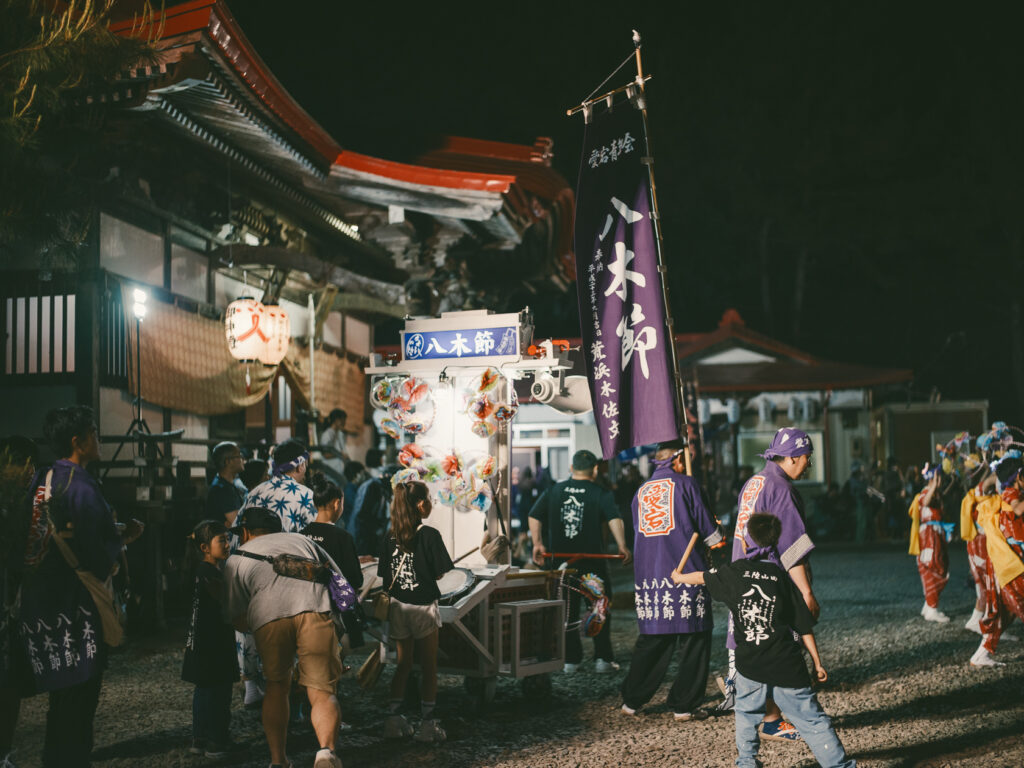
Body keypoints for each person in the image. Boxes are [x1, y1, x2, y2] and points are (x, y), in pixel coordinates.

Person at [673, 513, 855, 768]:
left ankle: (747, 763)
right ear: (775, 542)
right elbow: (803, 626)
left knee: (746, 716)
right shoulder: (781, 578)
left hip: (750, 665)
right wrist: (817, 662)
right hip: (786, 664)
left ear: (745, 541)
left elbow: (703, 576)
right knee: (812, 720)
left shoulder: (734, 573)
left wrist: (679, 578)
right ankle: (838, 766)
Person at [18, 406, 143, 767]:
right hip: (76, 600)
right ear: (78, 441)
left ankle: (54, 758)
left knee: (60, 690)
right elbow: (95, 551)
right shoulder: (82, 485)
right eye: (94, 433)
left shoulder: (43, 478)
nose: (98, 440)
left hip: (42, 596)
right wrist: (122, 542)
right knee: (81, 690)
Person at [224, 507, 344, 768]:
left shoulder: (237, 557)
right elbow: (339, 583)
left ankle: (278, 761)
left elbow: (236, 617)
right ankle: (326, 753)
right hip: (315, 608)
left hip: (268, 616)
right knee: (322, 690)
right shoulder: (303, 541)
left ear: (245, 532)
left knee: (277, 686)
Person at [725, 427, 820, 741]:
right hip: (769, 582)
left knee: (754, 643)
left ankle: (761, 715)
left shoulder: (754, 481)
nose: (809, 464)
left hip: (743, 576)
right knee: (780, 647)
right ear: (792, 457)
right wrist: (806, 593)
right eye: (807, 457)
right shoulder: (781, 488)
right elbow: (792, 549)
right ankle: (775, 718)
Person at [620, 440, 723, 720]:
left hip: (650, 576)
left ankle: (632, 700)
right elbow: (711, 535)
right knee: (694, 637)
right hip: (685, 571)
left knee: (655, 638)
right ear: (678, 459)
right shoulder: (688, 484)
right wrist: (718, 532)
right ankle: (684, 704)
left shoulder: (641, 491)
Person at [529, 449, 631, 673]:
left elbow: (534, 514)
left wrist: (537, 543)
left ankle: (571, 660)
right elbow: (614, 518)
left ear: (571, 468)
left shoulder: (554, 490)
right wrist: (622, 545)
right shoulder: (600, 493)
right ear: (594, 470)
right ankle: (602, 659)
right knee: (599, 608)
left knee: (567, 611)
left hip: (562, 566)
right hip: (592, 566)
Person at [235, 439, 317, 708]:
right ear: (300, 465)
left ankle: (251, 685)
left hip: (249, 566)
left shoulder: (255, 491)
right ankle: (287, 688)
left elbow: (235, 532)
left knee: (251, 623)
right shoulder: (304, 495)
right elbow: (315, 537)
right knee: (286, 628)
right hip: (286, 572)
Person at [377, 480, 453, 743]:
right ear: (421, 504)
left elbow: (385, 574)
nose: (431, 503)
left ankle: (393, 719)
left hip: (398, 607)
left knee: (403, 664)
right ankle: (427, 724)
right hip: (423, 607)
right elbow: (440, 572)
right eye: (429, 498)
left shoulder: (389, 536)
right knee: (429, 666)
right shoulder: (429, 535)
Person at [182, 520, 239, 757]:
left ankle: (200, 738)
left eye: (227, 539)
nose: (227, 544)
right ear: (205, 547)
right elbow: (225, 604)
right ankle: (217, 742)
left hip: (199, 643)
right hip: (215, 644)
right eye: (221, 540)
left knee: (204, 691)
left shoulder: (198, 571)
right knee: (219, 693)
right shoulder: (211, 574)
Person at [1, 435, 39, 767]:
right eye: (23, 464)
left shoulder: (19, 503)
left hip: (9, 607)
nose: (29, 471)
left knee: (10, 684)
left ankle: (4, 752)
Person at [302, 472, 364, 648]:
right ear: (337, 503)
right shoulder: (342, 537)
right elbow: (355, 579)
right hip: (333, 610)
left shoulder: (301, 534)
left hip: (305, 606)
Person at [908, 465, 951, 623]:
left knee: (938, 566)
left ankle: (929, 605)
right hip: (929, 536)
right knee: (934, 568)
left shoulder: (934, 493)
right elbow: (925, 502)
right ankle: (932, 608)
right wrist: (933, 484)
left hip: (935, 534)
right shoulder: (926, 492)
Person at [351, 450, 393, 555]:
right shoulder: (374, 483)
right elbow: (365, 514)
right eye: (382, 457)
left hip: (365, 534)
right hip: (369, 535)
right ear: (379, 459)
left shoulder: (368, 481)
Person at [207, 442, 246, 527]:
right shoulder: (223, 489)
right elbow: (237, 523)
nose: (243, 459)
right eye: (239, 456)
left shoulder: (226, 485)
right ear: (228, 461)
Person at [319, 409, 350, 483]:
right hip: (331, 472)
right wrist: (340, 455)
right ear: (336, 420)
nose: (344, 423)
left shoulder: (340, 434)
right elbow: (326, 454)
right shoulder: (328, 434)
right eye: (343, 420)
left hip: (339, 472)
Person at [341, 461, 365, 532]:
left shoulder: (352, 489)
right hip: (352, 528)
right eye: (362, 473)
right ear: (357, 475)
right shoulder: (350, 491)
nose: (364, 476)